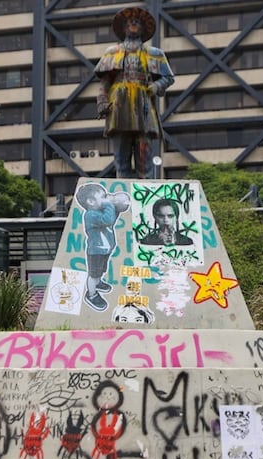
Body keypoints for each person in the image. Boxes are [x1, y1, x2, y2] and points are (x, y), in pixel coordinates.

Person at [95, 6, 174, 179]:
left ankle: (144, 194)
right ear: (123, 28)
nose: (133, 23)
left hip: (144, 106)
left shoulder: (155, 54)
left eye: (137, 22)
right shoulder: (112, 52)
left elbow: (168, 78)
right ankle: (123, 194)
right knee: (121, 159)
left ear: (143, 29)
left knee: (144, 159)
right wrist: (102, 101)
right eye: (130, 22)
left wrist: (156, 86)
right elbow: (105, 81)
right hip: (118, 107)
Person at [76, 183, 129, 312]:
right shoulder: (90, 215)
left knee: (101, 269)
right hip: (96, 251)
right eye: (103, 197)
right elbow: (108, 220)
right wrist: (109, 204)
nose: (107, 198)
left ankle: (98, 282)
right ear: (91, 201)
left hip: (105, 249)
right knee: (93, 274)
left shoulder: (102, 212)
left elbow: (112, 219)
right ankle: (91, 294)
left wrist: (117, 206)